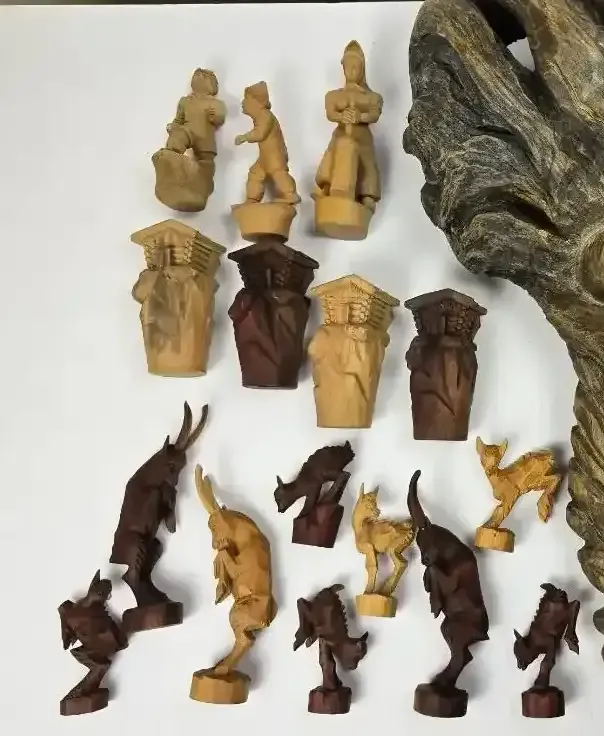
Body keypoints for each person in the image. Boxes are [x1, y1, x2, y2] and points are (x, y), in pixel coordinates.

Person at [313, 41, 383, 212]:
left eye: (355, 67)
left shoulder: (372, 97)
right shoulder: (333, 96)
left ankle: (366, 195)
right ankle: (328, 187)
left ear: (362, 69)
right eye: (348, 67)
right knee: (334, 155)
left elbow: (374, 114)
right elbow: (331, 113)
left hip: (362, 137)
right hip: (342, 133)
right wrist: (342, 116)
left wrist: (360, 117)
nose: (351, 71)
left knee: (366, 164)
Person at [235, 81, 301, 205]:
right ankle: (252, 199)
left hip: (275, 154)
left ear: (257, 102)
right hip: (265, 156)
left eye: (246, 99)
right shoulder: (261, 116)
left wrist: (245, 137)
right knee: (255, 173)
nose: (243, 103)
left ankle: (290, 194)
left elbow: (260, 133)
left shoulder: (265, 115)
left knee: (278, 173)